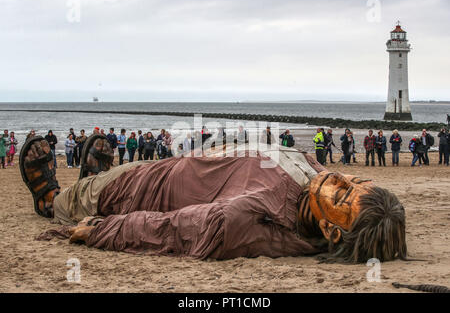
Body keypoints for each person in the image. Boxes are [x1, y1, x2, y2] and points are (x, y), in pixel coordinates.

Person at [22, 138, 408, 264]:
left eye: (341, 193)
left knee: (82, 197)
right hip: (176, 165)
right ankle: (92, 181)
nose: (338, 177)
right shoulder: (316, 182)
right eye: (356, 180)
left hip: (145, 186)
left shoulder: (262, 216)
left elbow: (179, 229)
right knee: (101, 183)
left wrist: (103, 230)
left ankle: (52, 197)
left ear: (331, 230)